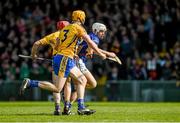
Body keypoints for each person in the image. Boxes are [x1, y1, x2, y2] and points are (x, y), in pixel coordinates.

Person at [20, 10, 107, 115]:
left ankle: (81, 107)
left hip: (61, 58)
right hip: (65, 59)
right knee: (58, 88)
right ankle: (31, 83)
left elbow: (57, 46)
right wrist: (100, 53)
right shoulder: (78, 28)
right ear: (81, 18)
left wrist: (72, 52)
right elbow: (90, 42)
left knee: (82, 80)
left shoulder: (64, 29)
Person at [62, 22, 116, 115]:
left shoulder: (90, 36)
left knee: (80, 85)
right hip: (78, 61)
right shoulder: (94, 38)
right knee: (92, 83)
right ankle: (80, 106)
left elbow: (87, 48)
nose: (103, 33)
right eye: (101, 31)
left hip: (76, 61)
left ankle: (68, 106)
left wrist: (103, 53)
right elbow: (93, 48)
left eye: (104, 32)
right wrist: (106, 54)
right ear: (95, 30)